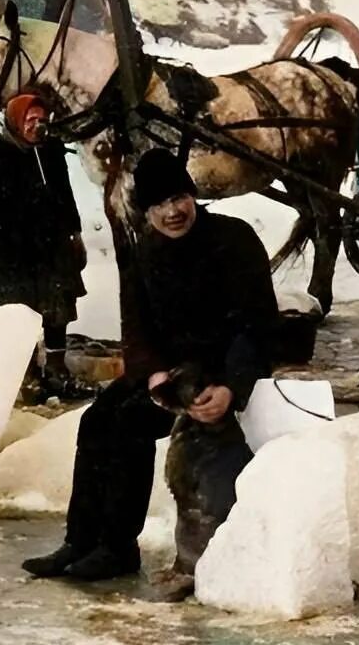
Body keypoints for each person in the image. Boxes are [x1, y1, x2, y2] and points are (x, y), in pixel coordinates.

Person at [22, 152, 274, 584]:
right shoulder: (144, 250)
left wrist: (232, 387)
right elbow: (135, 326)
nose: (172, 212)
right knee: (97, 420)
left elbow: (257, 325)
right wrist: (154, 374)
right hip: (170, 373)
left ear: (192, 195)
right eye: (159, 204)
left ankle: (118, 549)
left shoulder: (233, 239)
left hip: (218, 372)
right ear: (146, 210)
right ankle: (80, 540)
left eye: (179, 197)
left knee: (128, 426)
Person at [0, 94, 86, 397]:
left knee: (57, 308)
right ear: (16, 122)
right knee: (18, 311)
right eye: (30, 120)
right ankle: (27, 373)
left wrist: (75, 233)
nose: (37, 126)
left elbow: (65, 195)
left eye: (42, 120)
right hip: (14, 250)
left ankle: (57, 369)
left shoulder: (52, 152)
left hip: (52, 245)